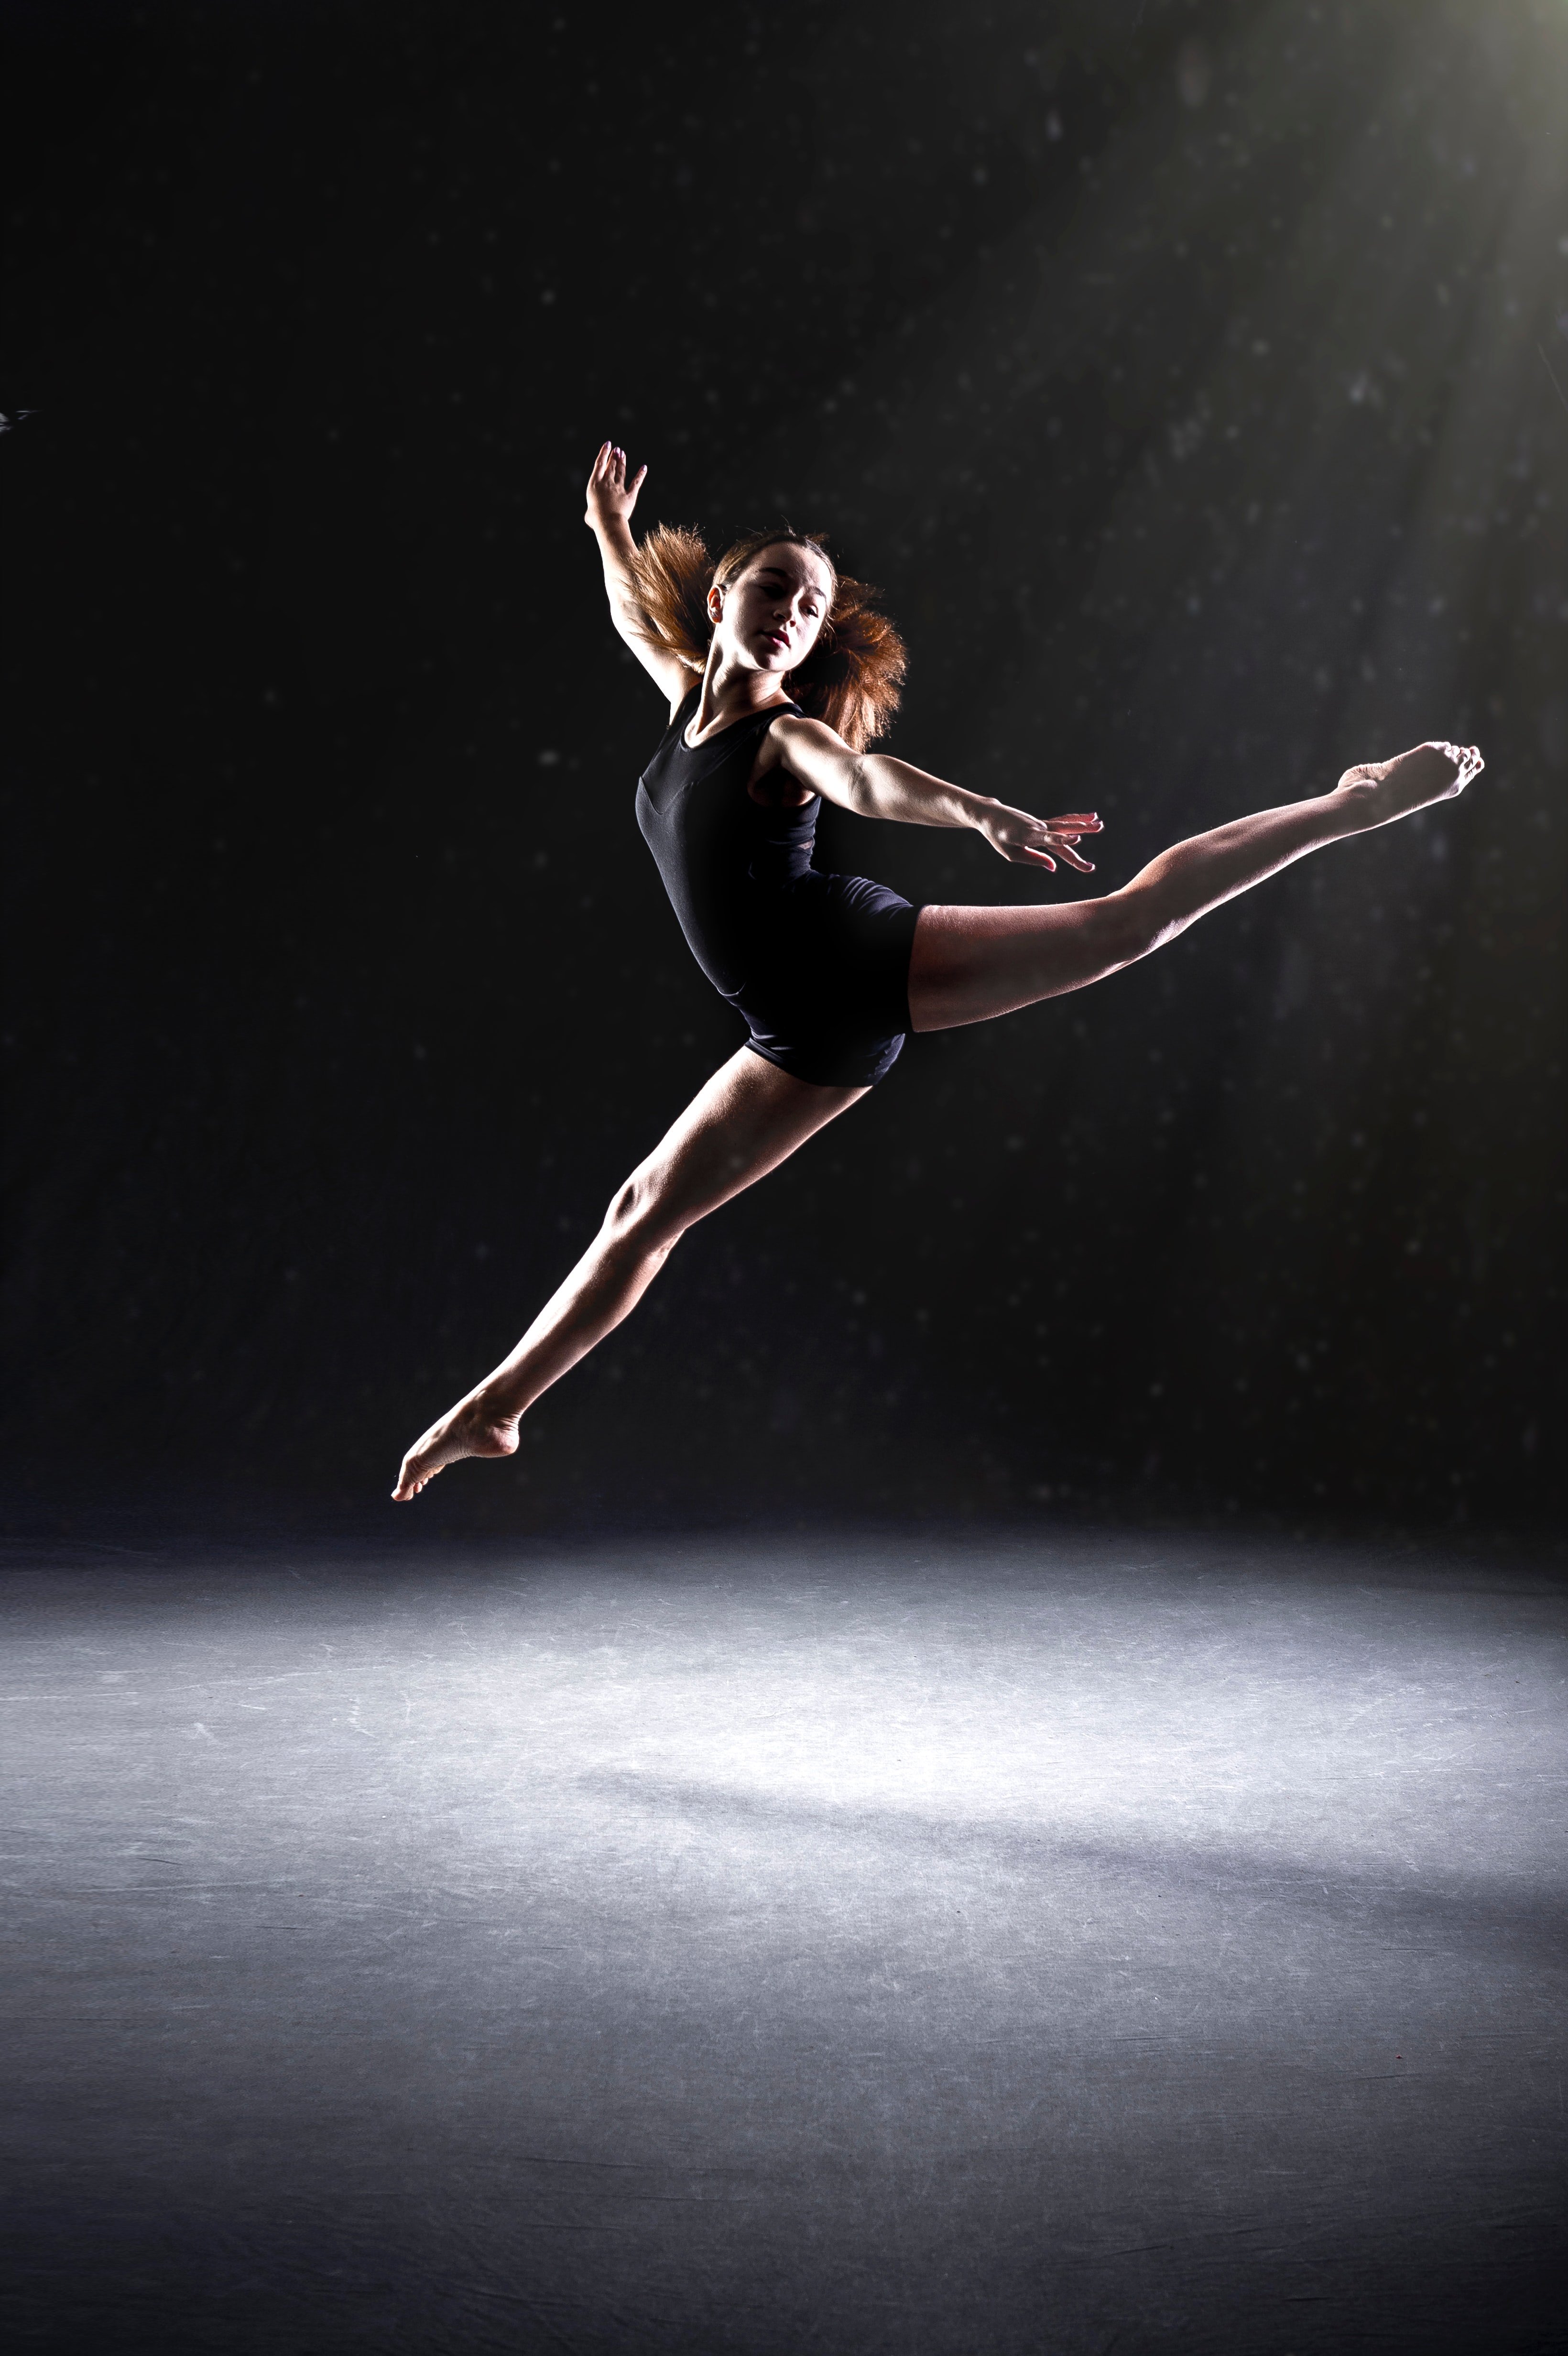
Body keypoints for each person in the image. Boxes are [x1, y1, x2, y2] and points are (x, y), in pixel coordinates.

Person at [391, 442, 1482, 1500]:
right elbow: (635, 608)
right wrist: (608, 529)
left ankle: (1352, 802)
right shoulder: (683, 692)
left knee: (1124, 924)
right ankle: (494, 1410)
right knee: (641, 1210)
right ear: (722, 598)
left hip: (855, 962)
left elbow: (864, 780)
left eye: (810, 608)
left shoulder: (784, 737)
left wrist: (976, 813)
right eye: (773, 589)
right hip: (785, 1032)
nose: (791, 616)